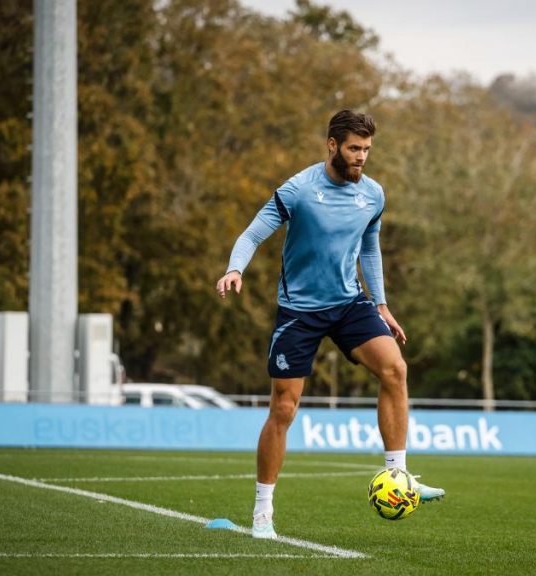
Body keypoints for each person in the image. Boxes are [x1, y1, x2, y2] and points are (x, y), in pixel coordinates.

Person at [216, 110, 445, 539]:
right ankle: (262, 513)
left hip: (349, 303)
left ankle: (399, 476)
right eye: (355, 148)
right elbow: (250, 235)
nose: (362, 157)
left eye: (367, 150)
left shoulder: (373, 195)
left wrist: (381, 304)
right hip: (299, 311)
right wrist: (236, 269)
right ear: (332, 144)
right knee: (284, 409)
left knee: (395, 369)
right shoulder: (299, 190)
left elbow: (370, 251)